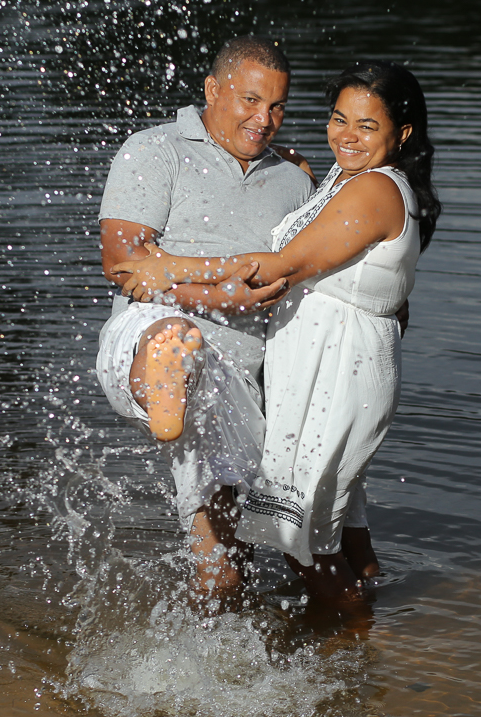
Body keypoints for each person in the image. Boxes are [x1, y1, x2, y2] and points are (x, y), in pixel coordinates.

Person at [114, 60, 441, 601]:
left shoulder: (376, 191)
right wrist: (283, 164)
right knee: (341, 536)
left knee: (303, 545)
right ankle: (373, 642)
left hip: (335, 376)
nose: (347, 137)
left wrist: (167, 268)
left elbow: (280, 267)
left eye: (366, 126)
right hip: (326, 368)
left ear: (401, 134)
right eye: (339, 119)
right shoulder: (345, 177)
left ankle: (351, 651)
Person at [94, 35, 315, 599]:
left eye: (278, 106)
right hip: (147, 334)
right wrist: (222, 294)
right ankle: (169, 389)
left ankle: (209, 663)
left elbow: (304, 276)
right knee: (176, 336)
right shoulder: (156, 149)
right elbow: (122, 262)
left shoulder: (294, 181)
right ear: (212, 90)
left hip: (236, 382)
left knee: (224, 575)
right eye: (249, 100)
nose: (264, 120)